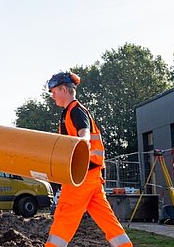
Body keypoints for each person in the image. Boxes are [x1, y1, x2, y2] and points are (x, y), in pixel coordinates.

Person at [44, 71, 132, 247]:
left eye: (54, 92)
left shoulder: (75, 110)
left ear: (63, 89)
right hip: (92, 177)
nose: (52, 96)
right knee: (107, 219)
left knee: (64, 215)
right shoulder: (71, 111)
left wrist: (81, 147)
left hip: (80, 177)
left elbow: (83, 134)